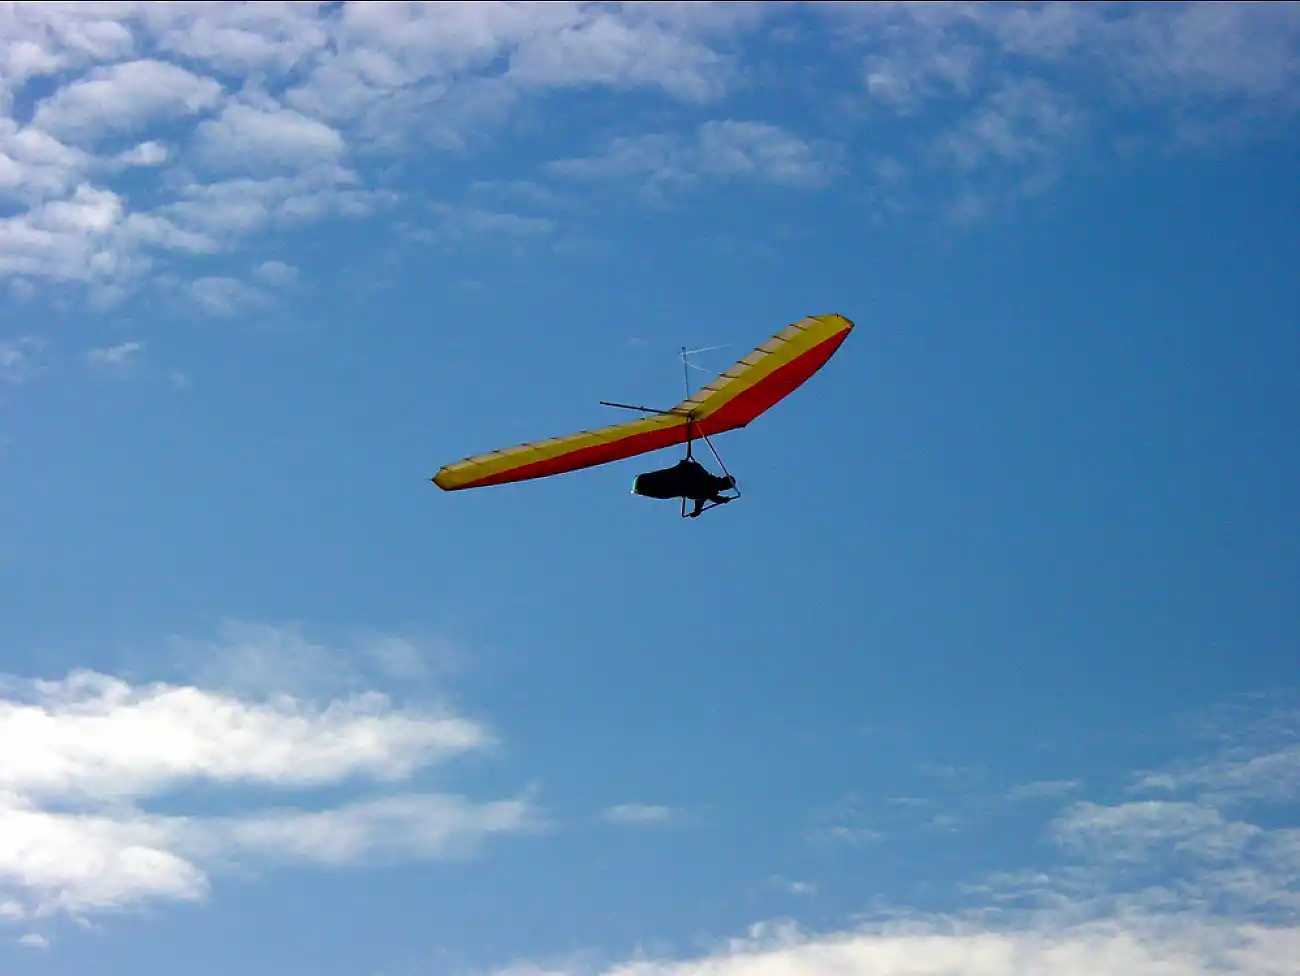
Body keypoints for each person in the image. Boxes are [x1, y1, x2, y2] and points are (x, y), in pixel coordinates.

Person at [632, 457, 736, 517]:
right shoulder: (708, 482)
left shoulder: (707, 485)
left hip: (674, 486)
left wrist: (697, 511)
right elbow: (708, 495)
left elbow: (703, 497)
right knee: (658, 483)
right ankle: (641, 484)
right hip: (674, 481)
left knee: (658, 487)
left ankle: (640, 485)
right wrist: (722, 500)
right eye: (725, 486)